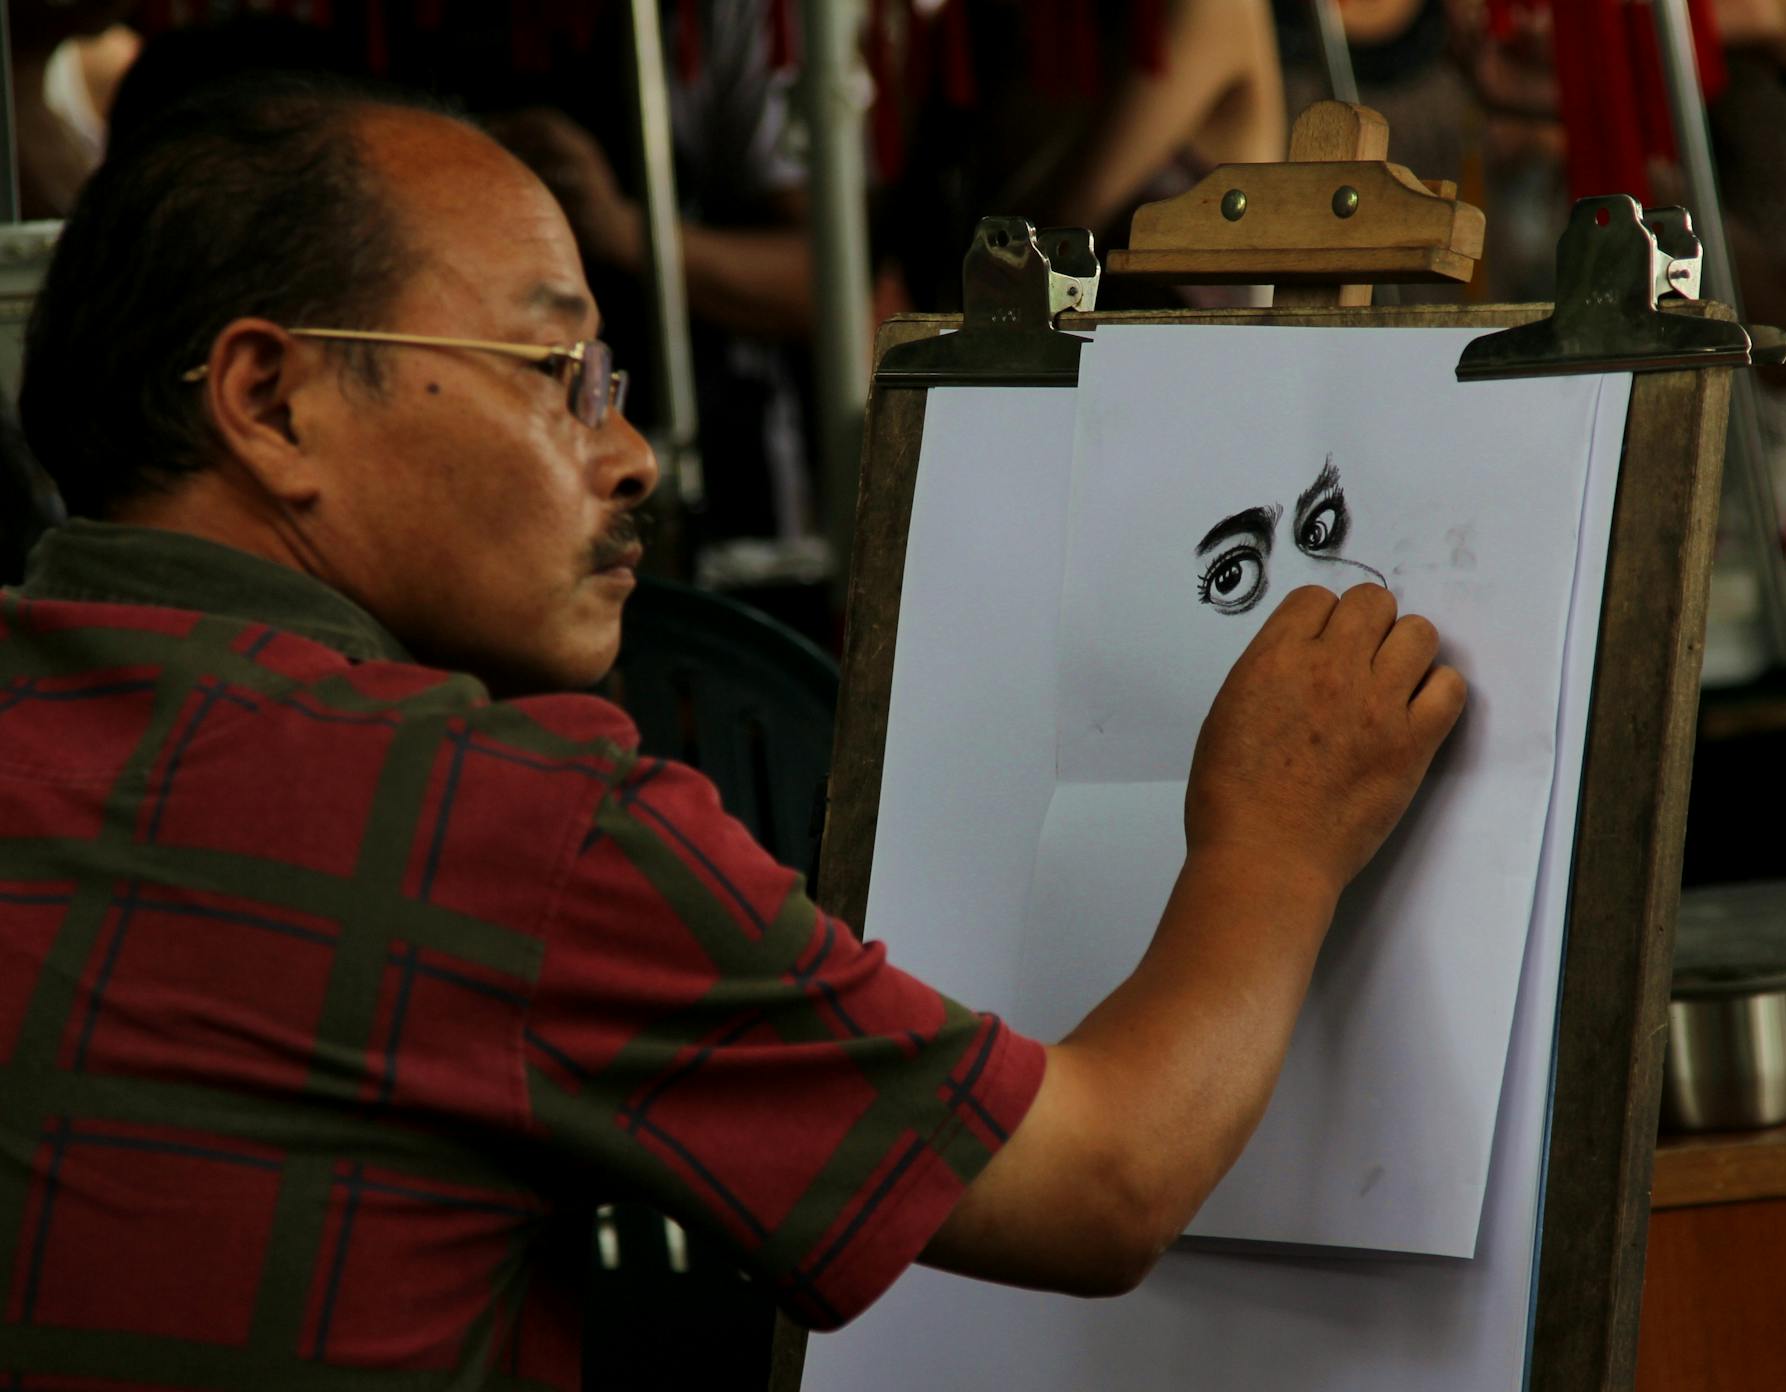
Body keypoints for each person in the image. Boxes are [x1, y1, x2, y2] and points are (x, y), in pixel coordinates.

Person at [0, 76, 1463, 1387]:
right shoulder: (499, 822)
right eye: (552, 374)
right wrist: (1274, 839)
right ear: (270, 400)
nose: (627, 453)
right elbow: (1105, 1180)